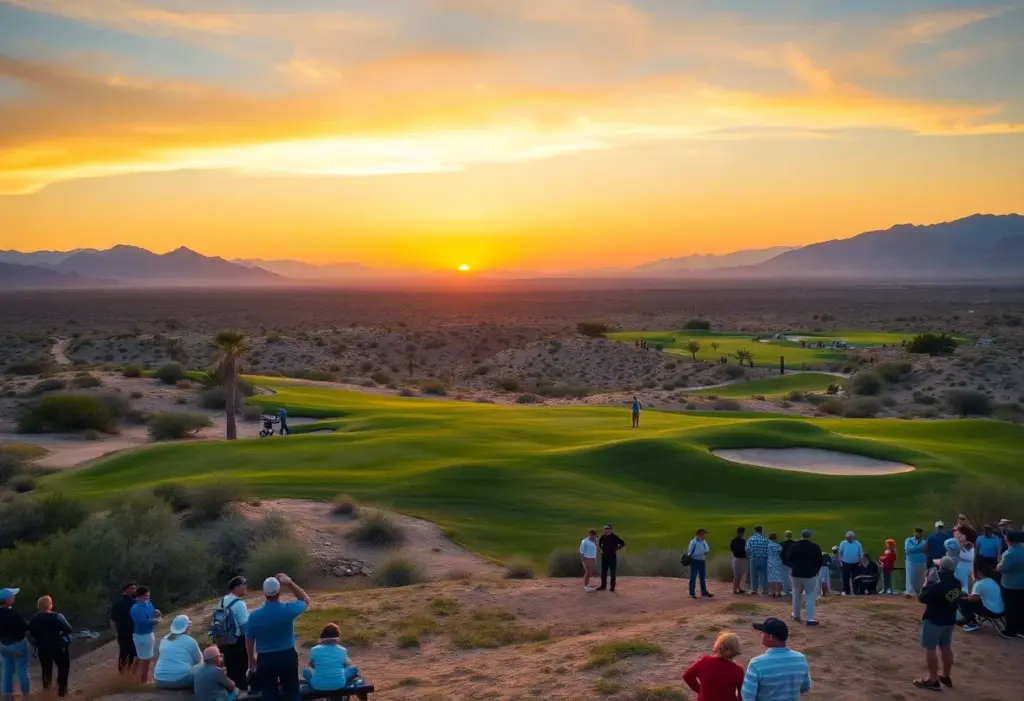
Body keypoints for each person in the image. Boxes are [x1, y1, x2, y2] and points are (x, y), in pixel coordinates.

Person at [245, 574, 310, 701]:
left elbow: (249, 640)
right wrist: (290, 582)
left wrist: (251, 659)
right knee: (292, 692)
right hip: (287, 656)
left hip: (265, 659)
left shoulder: (254, 616)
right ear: (279, 592)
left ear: (264, 593)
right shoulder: (288, 610)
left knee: (269, 693)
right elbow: (305, 600)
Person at [914, 557, 962, 692]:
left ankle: (933, 679)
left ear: (941, 568)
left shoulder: (935, 585)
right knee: (946, 646)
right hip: (949, 619)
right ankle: (945, 675)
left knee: (930, 648)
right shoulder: (957, 582)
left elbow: (921, 598)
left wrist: (926, 582)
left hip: (934, 620)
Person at [741, 618, 811, 701]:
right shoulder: (800, 659)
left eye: (763, 632)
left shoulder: (756, 664)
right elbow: (805, 687)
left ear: (770, 637)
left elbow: (747, 697)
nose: (761, 633)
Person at [27, 595, 73, 697]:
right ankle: (62, 691)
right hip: (58, 646)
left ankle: (47, 692)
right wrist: (61, 634)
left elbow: (31, 634)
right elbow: (69, 629)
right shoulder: (57, 616)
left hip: (43, 647)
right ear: (50, 605)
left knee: (46, 670)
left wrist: (37, 642)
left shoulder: (34, 619)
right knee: (63, 668)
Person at [682, 631, 744, 701]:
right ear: (736, 650)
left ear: (718, 646)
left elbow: (687, 675)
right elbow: (741, 693)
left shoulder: (704, 661)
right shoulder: (738, 670)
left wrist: (699, 690)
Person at [215, 577, 250, 690]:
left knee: (230, 668)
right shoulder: (239, 603)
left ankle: (231, 690)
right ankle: (241, 690)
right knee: (241, 668)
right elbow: (244, 626)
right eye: (244, 584)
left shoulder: (221, 601)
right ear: (236, 588)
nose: (246, 587)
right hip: (237, 641)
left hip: (223, 640)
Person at [302, 624, 360, 691]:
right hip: (339, 684)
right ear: (338, 636)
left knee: (306, 670)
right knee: (354, 669)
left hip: (317, 685)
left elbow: (311, 665)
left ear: (322, 635)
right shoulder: (342, 650)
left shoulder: (314, 649)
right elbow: (347, 665)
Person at [154, 615, 202, 689]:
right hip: (180, 680)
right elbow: (200, 660)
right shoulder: (190, 641)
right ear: (187, 627)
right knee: (202, 666)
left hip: (159, 680)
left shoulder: (164, 639)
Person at [0, 587, 30, 701]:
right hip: (18, 644)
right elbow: (25, 627)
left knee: (6, 670)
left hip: (3, 645)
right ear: (7, 600)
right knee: (22, 669)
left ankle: (7, 695)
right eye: (12, 596)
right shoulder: (14, 614)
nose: (14, 597)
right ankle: (25, 696)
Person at [787, 529, 821, 626]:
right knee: (810, 596)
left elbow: (789, 559)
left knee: (796, 594)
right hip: (810, 574)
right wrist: (815, 570)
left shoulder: (795, 546)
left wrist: (794, 567)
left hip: (796, 574)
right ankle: (810, 619)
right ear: (810, 536)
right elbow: (819, 561)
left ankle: (796, 615)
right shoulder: (815, 546)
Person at [129, 585, 162, 684]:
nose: (148, 597)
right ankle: (143, 681)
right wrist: (156, 621)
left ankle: (136, 676)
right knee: (146, 659)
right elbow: (143, 622)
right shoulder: (135, 609)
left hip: (148, 633)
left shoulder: (148, 604)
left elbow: (152, 613)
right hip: (141, 636)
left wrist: (156, 613)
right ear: (139, 596)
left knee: (141, 657)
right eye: (146, 596)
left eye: (148, 595)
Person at [959, 566, 1004, 633]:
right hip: (1002, 611)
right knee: (968, 598)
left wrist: (961, 598)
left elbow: (972, 599)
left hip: (992, 612)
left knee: (964, 601)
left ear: (979, 573)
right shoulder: (992, 580)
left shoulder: (979, 584)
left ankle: (972, 622)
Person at [997, 530, 1024, 640]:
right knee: (1021, 607)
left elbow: (1002, 568)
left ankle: (1010, 631)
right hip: (1022, 584)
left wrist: (998, 565)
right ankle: (1021, 630)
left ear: (1009, 540)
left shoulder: (1009, 553)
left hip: (1010, 584)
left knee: (1010, 608)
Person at [110, 582, 138, 674]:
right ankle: (122, 673)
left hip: (134, 632)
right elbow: (112, 619)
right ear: (126, 590)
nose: (134, 590)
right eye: (132, 588)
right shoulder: (119, 603)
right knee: (124, 653)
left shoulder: (135, 602)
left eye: (135, 588)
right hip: (124, 633)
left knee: (133, 653)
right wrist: (115, 632)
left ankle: (129, 673)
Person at [597, 524, 625, 593]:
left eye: (608, 529)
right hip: (604, 556)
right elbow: (599, 544)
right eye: (605, 529)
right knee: (603, 572)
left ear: (610, 529)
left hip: (612, 556)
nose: (606, 530)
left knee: (612, 572)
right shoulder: (603, 537)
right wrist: (600, 549)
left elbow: (622, 543)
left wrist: (617, 549)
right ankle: (603, 586)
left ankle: (612, 587)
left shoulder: (614, 537)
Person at [687, 529, 713, 599]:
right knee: (693, 577)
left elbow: (707, 550)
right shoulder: (693, 542)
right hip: (694, 561)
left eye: (704, 534)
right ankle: (692, 592)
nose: (703, 536)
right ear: (698, 535)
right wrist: (699, 554)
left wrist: (703, 553)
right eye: (702, 534)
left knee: (702, 577)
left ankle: (703, 591)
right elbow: (690, 552)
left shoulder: (704, 542)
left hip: (702, 560)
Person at [838, 531, 864, 596]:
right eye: (847, 537)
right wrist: (840, 561)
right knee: (845, 577)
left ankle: (855, 591)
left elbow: (861, 553)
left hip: (855, 563)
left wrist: (860, 561)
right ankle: (846, 591)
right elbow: (840, 552)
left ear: (852, 537)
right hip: (845, 563)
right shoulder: (843, 543)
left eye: (849, 537)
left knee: (855, 578)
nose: (848, 539)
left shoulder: (857, 544)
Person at [904, 528, 928, 598]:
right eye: (916, 532)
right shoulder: (908, 540)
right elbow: (908, 550)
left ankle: (920, 591)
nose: (917, 534)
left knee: (921, 578)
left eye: (918, 533)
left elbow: (925, 549)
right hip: (910, 562)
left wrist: (915, 548)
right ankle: (909, 592)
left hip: (922, 561)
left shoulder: (924, 542)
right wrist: (920, 549)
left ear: (921, 534)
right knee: (910, 577)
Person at [746, 527, 770, 596]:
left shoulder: (751, 539)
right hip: (763, 559)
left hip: (754, 558)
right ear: (761, 531)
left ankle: (754, 589)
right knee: (764, 575)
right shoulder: (765, 539)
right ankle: (764, 589)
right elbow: (768, 550)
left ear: (755, 531)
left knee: (753, 575)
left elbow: (747, 549)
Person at [730, 527, 748, 596]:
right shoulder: (743, 541)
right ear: (743, 532)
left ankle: (736, 589)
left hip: (735, 558)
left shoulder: (733, 540)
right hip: (741, 559)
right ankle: (739, 588)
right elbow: (745, 550)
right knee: (743, 574)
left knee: (737, 575)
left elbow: (731, 549)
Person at [766, 534, 783, 599]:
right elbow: (781, 552)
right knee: (778, 577)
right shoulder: (778, 545)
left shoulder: (767, 545)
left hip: (770, 562)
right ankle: (778, 592)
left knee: (771, 577)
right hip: (777, 561)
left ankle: (772, 592)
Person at [779, 531, 795, 597]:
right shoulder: (795, 543)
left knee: (785, 577)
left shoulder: (782, 544)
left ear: (785, 536)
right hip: (793, 563)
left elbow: (781, 554)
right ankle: (792, 590)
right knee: (793, 577)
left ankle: (786, 591)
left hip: (785, 563)